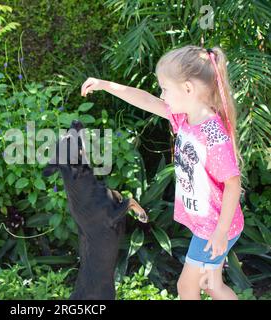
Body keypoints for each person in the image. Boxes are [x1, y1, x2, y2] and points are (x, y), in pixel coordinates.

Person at [80, 45, 244, 300]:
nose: (162, 94)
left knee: (186, 287)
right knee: (212, 285)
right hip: (210, 226)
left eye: (166, 88)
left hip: (214, 229)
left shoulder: (213, 137)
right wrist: (106, 85)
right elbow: (146, 99)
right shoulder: (184, 118)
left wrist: (220, 233)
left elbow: (233, 185)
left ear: (188, 89)